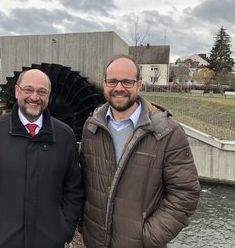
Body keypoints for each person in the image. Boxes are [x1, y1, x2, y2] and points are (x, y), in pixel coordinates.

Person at [79, 54, 200, 248]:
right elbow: (83, 183)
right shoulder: (91, 127)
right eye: (113, 81)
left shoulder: (168, 132)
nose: (119, 88)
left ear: (139, 84)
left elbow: (185, 194)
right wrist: (83, 228)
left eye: (127, 82)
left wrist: (148, 237)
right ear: (104, 84)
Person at [0, 69, 84, 248]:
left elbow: (74, 188)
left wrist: (64, 229)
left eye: (42, 92)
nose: (35, 97)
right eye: (28, 90)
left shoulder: (64, 136)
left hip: (48, 241)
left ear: (48, 96)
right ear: (17, 91)